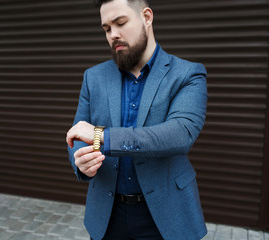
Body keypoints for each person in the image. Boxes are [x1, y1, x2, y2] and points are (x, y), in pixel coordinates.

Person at [66, 0, 208, 239]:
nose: (114, 34)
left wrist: (101, 137)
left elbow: (181, 133)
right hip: (107, 215)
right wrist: (79, 161)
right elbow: (78, 133)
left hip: (165, 215)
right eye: (107, 29)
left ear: (147, 17)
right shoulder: (94, 76)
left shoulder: (187, 74)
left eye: (120, 23)